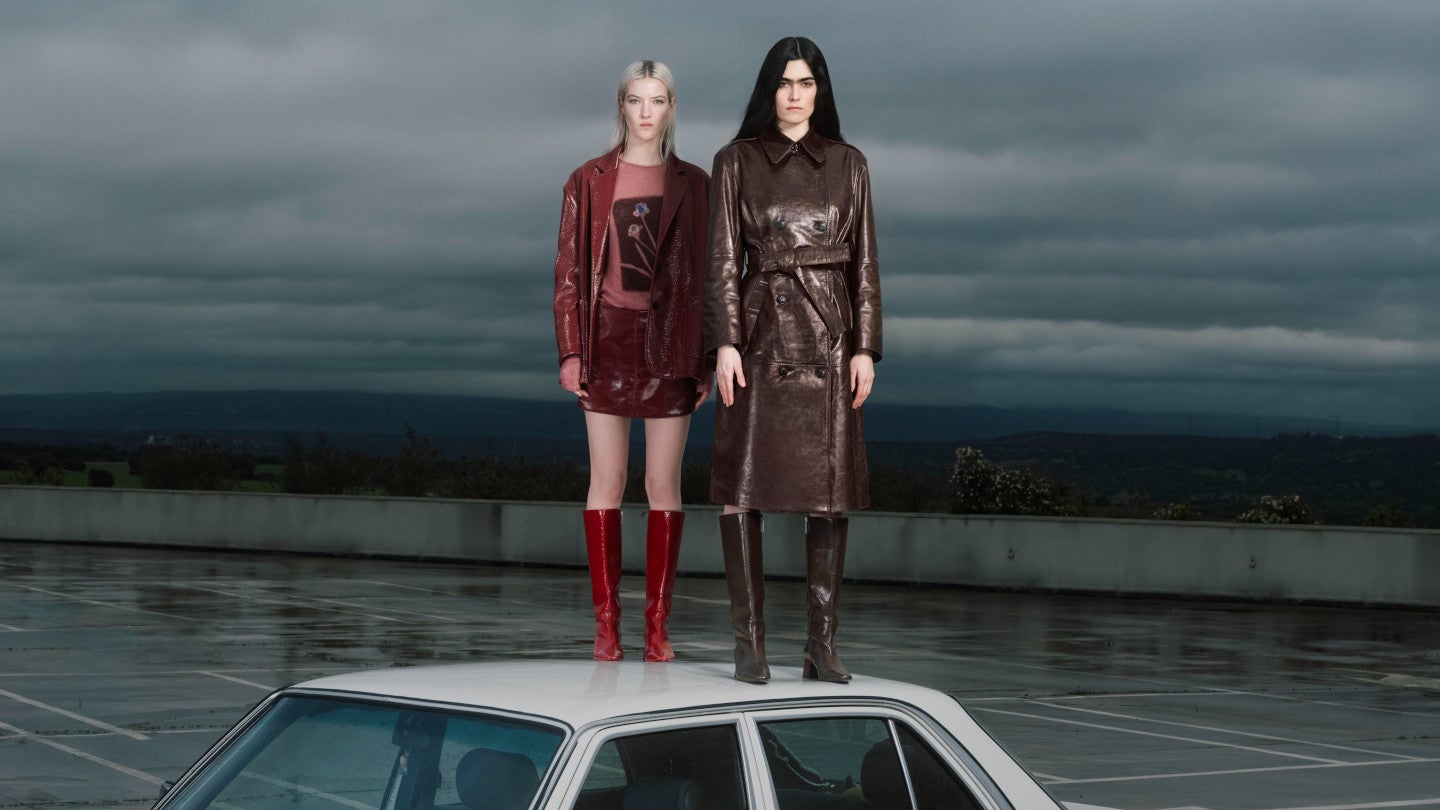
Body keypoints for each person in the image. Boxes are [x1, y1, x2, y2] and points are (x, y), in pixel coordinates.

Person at [705, 37, 882, 684]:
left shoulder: (849, 163)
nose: (795, 94)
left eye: (806, 82)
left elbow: (866, 264)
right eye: (784, 82)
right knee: (740, 489)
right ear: (768, 89)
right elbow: (723, 259)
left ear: (820, 90)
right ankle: (747, 643)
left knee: (828, 497)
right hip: (759, 335)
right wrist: (725, 342)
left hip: (830, 336)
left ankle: (820, 646)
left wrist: (866, 347)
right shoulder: (735, 160)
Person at [552, 60, 711, 662]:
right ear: (621, 105)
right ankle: (607, 627)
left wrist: (704, 357)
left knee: (663, 484)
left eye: (657, 100)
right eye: (636, 100)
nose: (646, 112)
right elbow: (568, 275)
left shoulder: (696, 184)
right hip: (608, 340)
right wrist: (572, 350)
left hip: (671, 343)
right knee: (607, 481)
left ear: (672, 108)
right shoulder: (587, 180)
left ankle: (657, 628)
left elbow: (711, 276)